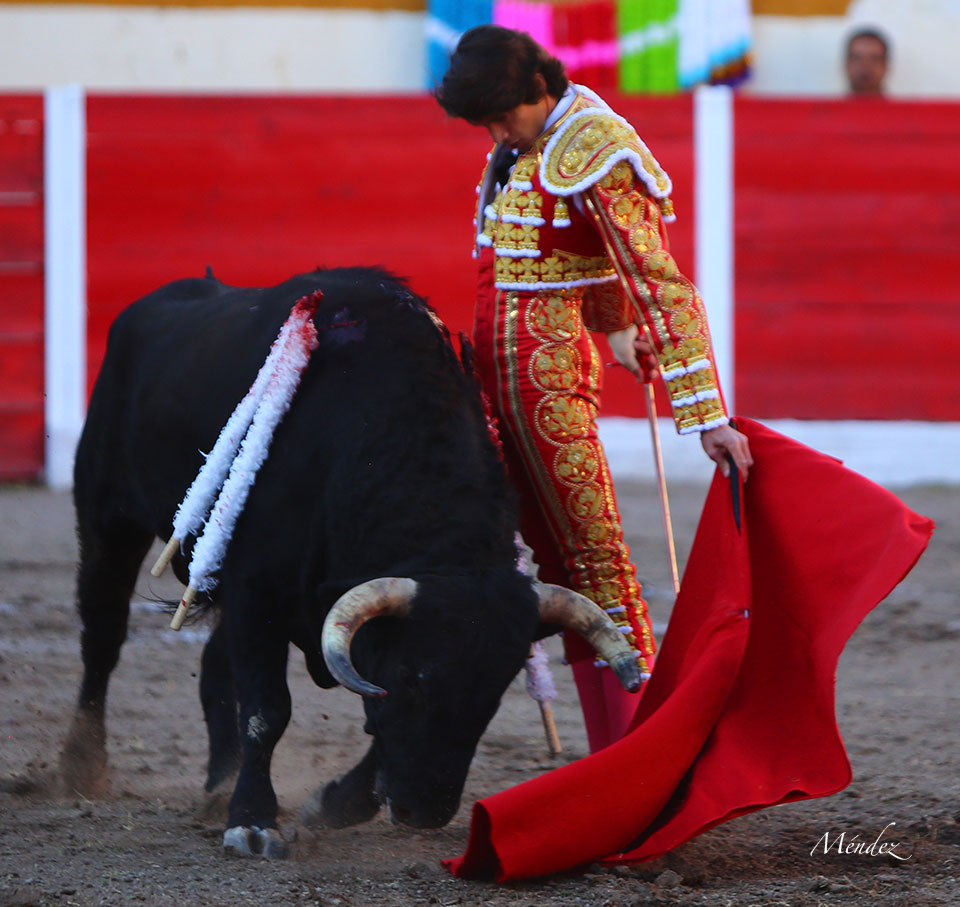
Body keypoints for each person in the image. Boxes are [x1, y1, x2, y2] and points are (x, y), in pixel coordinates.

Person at [434, 25, 752, 753]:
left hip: (548, 389)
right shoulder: (524, 143)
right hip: (497, 385)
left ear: (538, 90)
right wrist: (615, 333)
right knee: (548, 565)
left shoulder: (597, 150)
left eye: (499, 116)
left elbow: (661, 286)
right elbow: (587, 260)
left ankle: (636, 753)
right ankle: (615, 750)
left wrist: (704, 413)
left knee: (598, 564)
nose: (493, 132)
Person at [845, 27, 890, 96]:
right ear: (847, 63)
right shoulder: (828, 107)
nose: (865, 65)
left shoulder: (903, 107)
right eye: (857, 58)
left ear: (885, 65)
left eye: (874, 59)